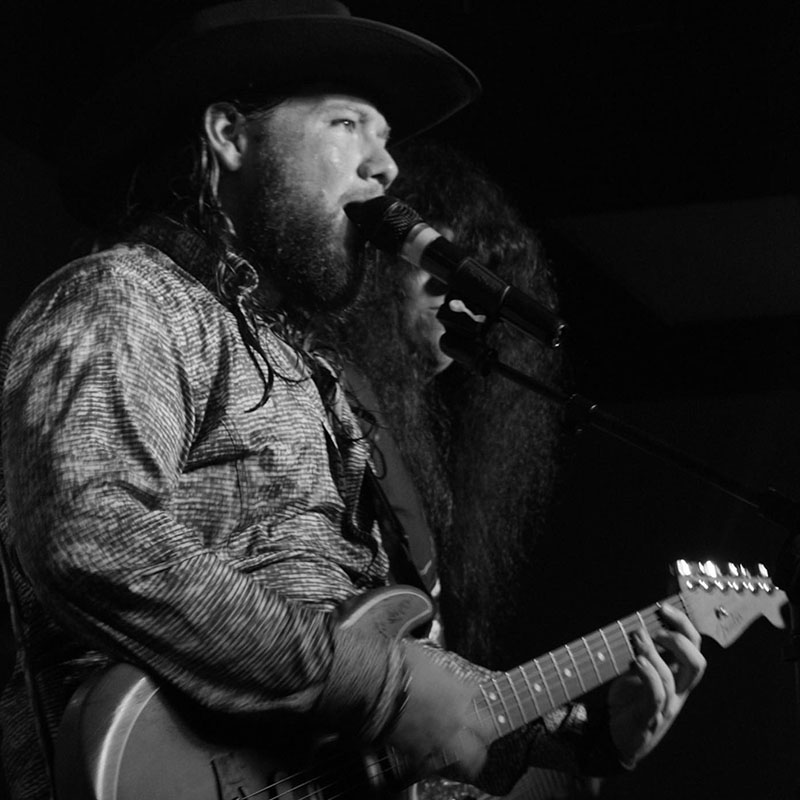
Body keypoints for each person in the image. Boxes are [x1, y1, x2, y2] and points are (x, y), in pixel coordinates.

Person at [0, 3, 706, 800]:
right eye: (347, 124)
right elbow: (91, 534)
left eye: (386, 137)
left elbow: (383, 675)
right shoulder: (128, 296)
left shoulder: (308, 373)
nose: (386, 167)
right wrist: (378, 683)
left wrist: (581, 739)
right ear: (228, 135)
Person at [326, 139, 601, 799]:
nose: (458, 300)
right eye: (437, 272)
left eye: (480, 285)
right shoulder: (323, 393)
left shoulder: (413, 441)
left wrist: (590, 740)